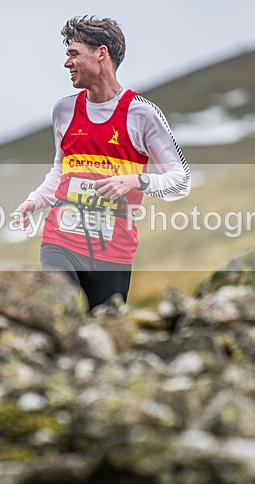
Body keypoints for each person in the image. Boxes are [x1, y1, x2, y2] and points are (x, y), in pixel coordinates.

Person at [12, 16, 190, 307]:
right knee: (58, 308)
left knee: (102, 335)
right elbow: (61, 169)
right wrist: (35, 201)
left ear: (101, 53)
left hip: (113, 253)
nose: (67, 64)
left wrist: (137, 181)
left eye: (73, 54)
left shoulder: (142, 114)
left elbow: (180, 180)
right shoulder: (64, 111)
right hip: (61, 240)